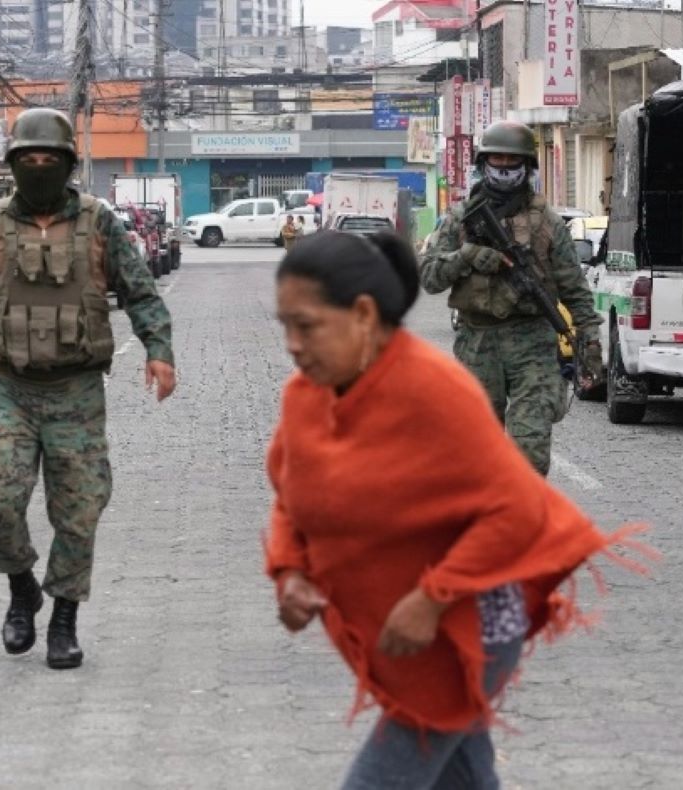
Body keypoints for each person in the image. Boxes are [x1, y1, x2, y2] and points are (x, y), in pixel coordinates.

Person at [267, 230, 651, 788]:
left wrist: (431, 598)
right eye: (286, 327)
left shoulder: (435, 389)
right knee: (464, 775)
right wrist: (291, 571)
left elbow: (516, 510)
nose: (294, 345)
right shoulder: (306, 395)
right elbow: (292, 495)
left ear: (364, 315)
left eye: (307, 326)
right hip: (408, 622)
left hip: (474, 618)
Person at [0, 108, 177, 670]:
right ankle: (22, 587)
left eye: (50, 158)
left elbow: (140, 292)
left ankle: (63, 618)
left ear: (68, 163)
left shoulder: (101, 225)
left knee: (79, 510)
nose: (39, 166)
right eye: (29, 158)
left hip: (76, 391)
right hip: (12, 391)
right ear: (14, 164)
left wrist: (159, 350)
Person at [419, 120, 603, 476]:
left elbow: (575, 290)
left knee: (529, 450)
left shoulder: (547, 223)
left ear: (527, 167)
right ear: (483, 163)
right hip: (477, 342)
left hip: (532, 342)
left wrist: (590, 339)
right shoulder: (460, 220)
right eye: (496, 160)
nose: (504, 168)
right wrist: (466, 256)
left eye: (512, 161)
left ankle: (524, 523)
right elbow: (429, 278)